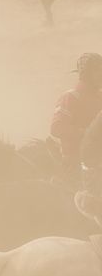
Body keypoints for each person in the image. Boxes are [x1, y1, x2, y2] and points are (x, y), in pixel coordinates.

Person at [51, 53, 102, 185]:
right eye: (98, 70)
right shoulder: (70, 97)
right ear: (86, 73)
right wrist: (87, 133)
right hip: (76, 164)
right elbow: (57, 128)